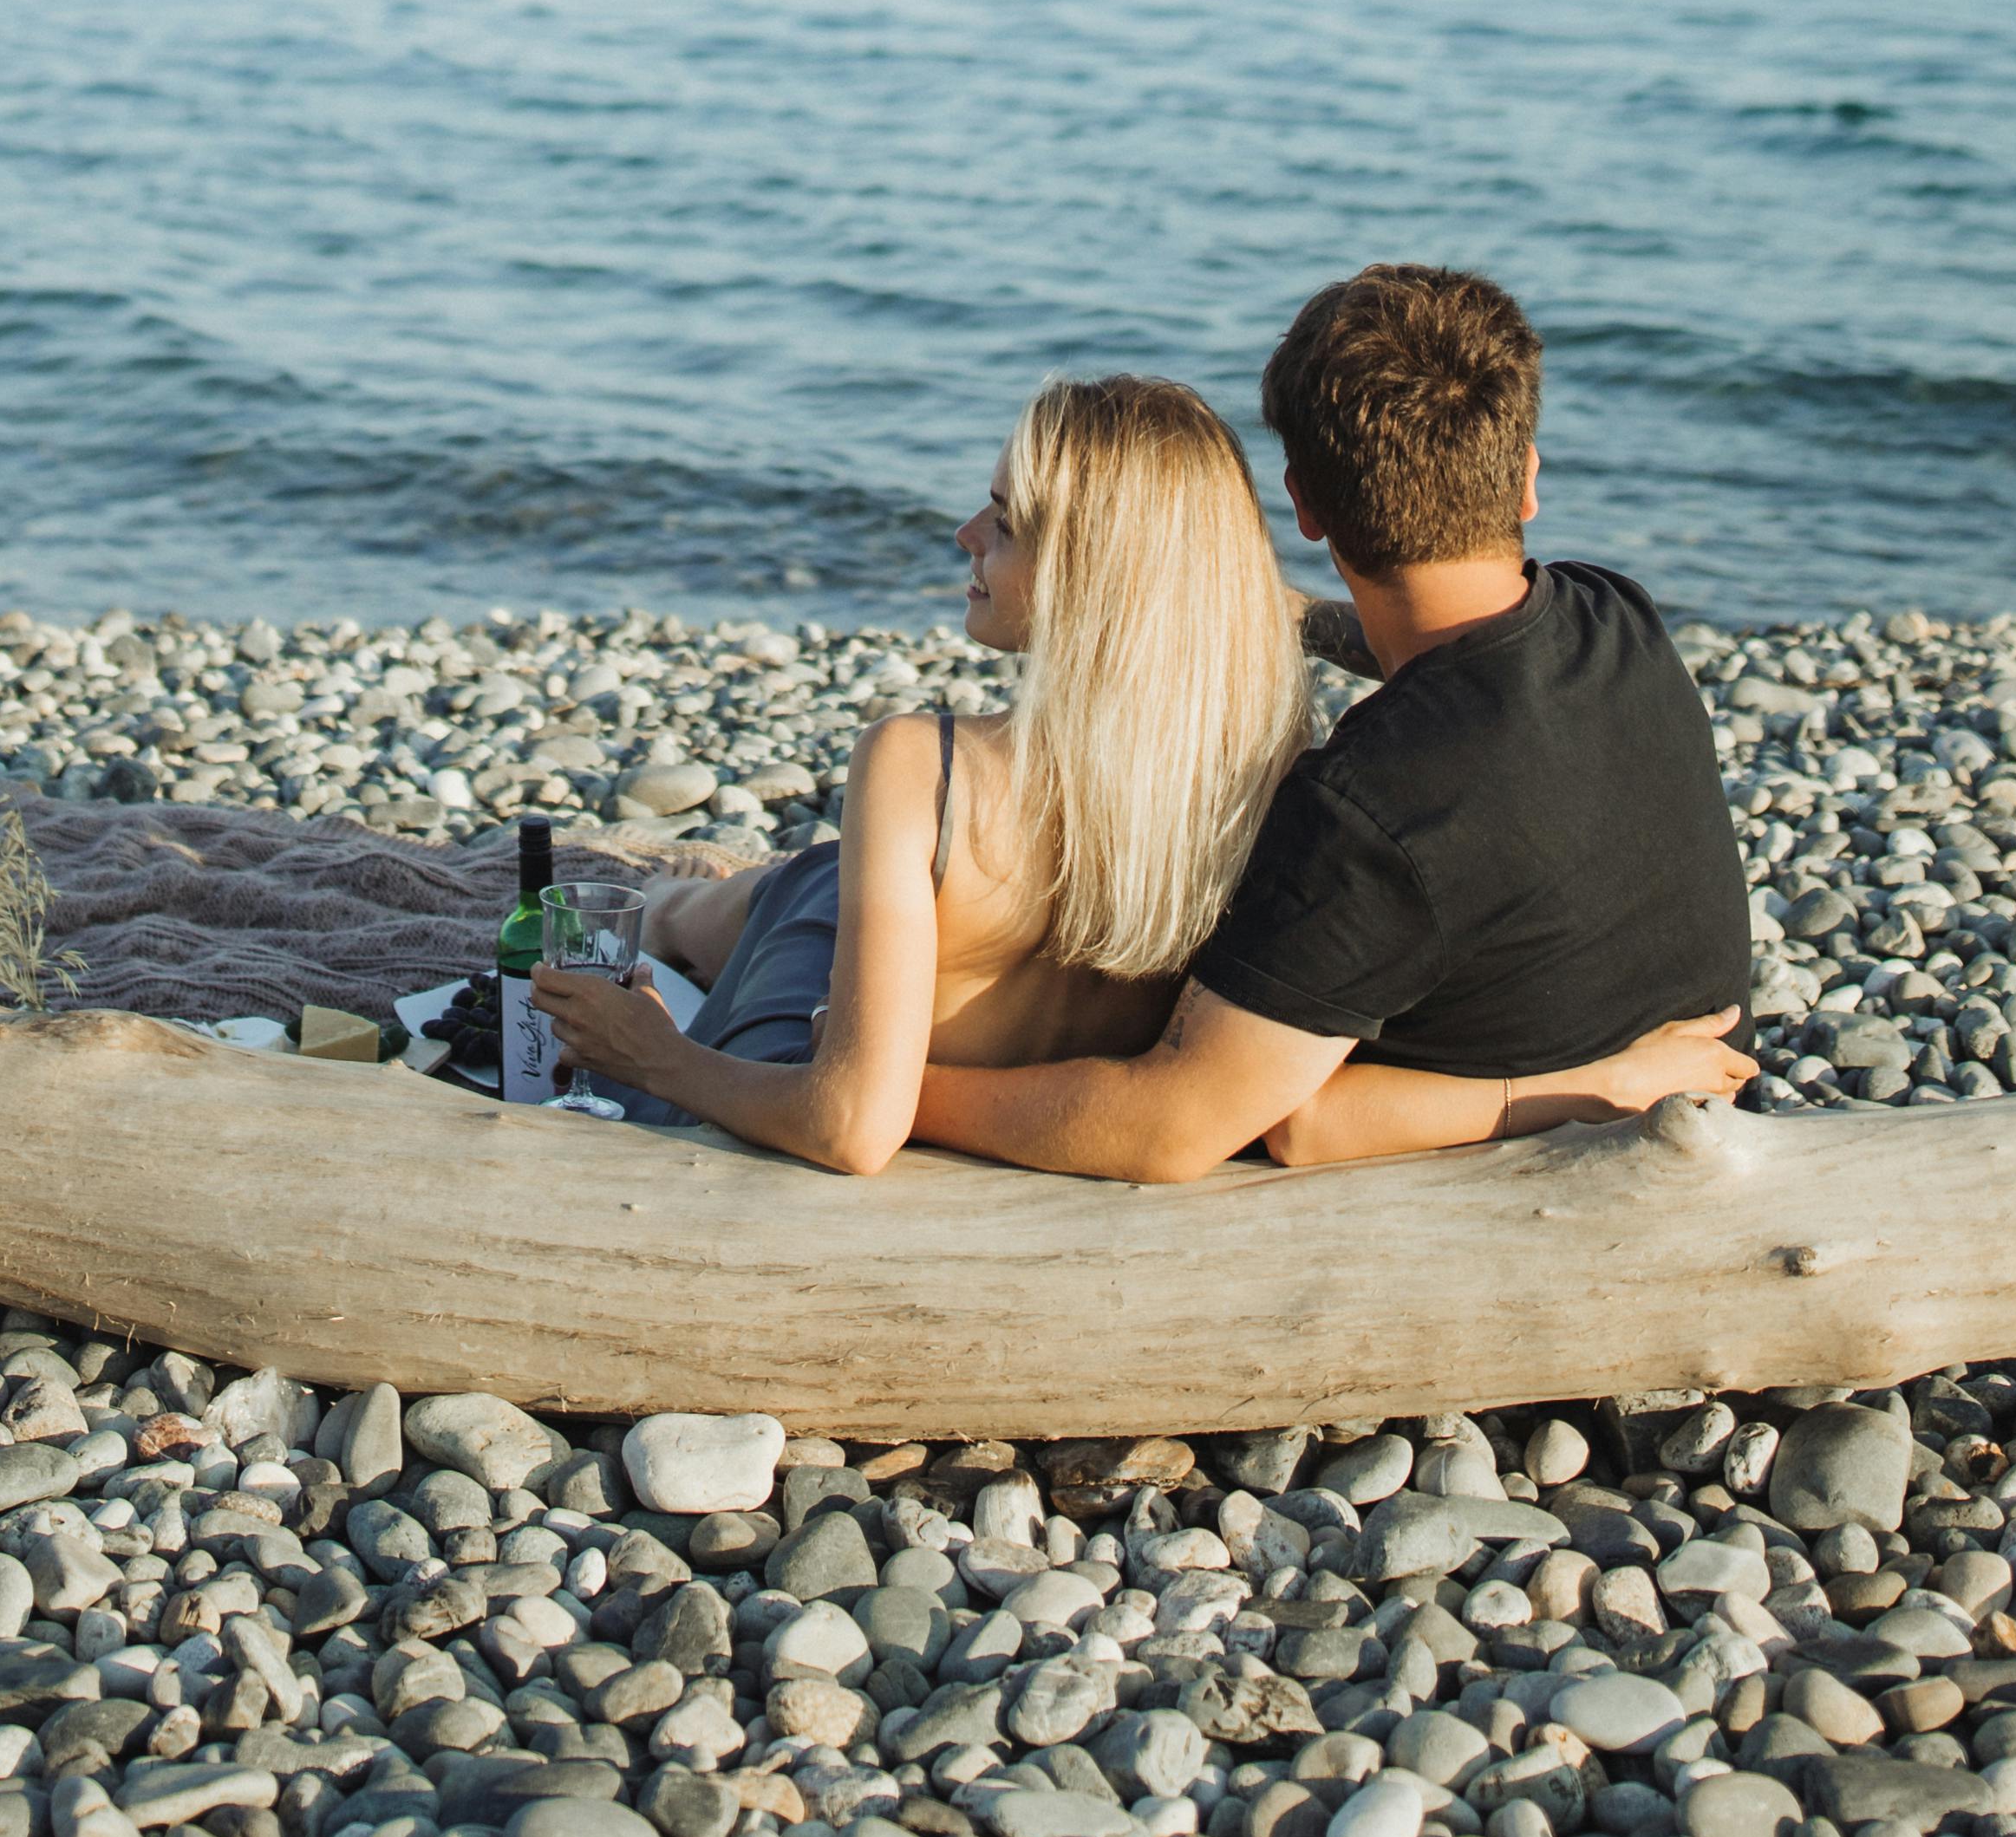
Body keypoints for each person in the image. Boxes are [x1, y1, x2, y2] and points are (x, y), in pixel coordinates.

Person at [530, 363, 1740, 1177]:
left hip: (816, 1059)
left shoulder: (922, 761)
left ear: (1083, 577)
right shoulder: (1276, 766)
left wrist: (661, 1058)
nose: (967, 536)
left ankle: (646, 911)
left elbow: (853, 1123)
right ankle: (669, 905)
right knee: (802, 881)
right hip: (1029, 1044)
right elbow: (1409, 648)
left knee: (767, 898)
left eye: (1003, 521)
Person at [908, 264, 1754, 1183]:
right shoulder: (1614, 619)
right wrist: (1288, 613)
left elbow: (1184, 1127)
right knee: (787, 895)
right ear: (1526, 481)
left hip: (1523, 1205)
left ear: (1303, 505)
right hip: (1717, 1110)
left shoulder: (1369, 805)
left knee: (817, 904)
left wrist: (895, 1090)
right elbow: (1439, 653)